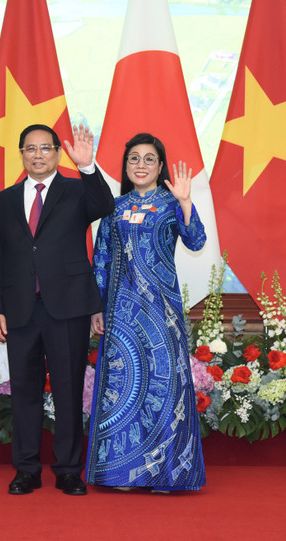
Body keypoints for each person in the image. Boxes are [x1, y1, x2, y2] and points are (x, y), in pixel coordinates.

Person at [0, 123, 114, 496]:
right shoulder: (4, 200)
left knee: (68, 390)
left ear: (58, 153)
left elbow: (104, 206)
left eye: (45, 148)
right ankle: (26, 469)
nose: (38, 155)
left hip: (68, 307)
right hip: (20, 310)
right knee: (24, 392)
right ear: (21, 154)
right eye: (30, 149)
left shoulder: (77, 190)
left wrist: (88, 167)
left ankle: (68, 470)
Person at [85, 133, 206, 491]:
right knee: (122, 391)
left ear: (160, 166)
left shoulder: (171, 203)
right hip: (120, 313)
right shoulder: (114, 207)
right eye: (134, 158)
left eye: (149, 159)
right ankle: (119, 473)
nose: (141, 165)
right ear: (125, 167)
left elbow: (196, 241)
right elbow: (101, 260)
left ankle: (168, 473)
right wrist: (97, 307)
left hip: (162, 311)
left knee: (164, 387)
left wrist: (186, 203)